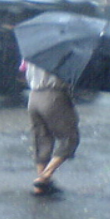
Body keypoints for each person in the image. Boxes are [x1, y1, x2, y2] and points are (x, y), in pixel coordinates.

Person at [23, 60, 79, 197]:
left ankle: (41, 187)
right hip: (53, 96)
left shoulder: (37, 52)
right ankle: (44, 177)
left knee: (42, 139)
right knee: (70, 139)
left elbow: (22, 71)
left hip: (33, 97)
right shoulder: (68, 55)